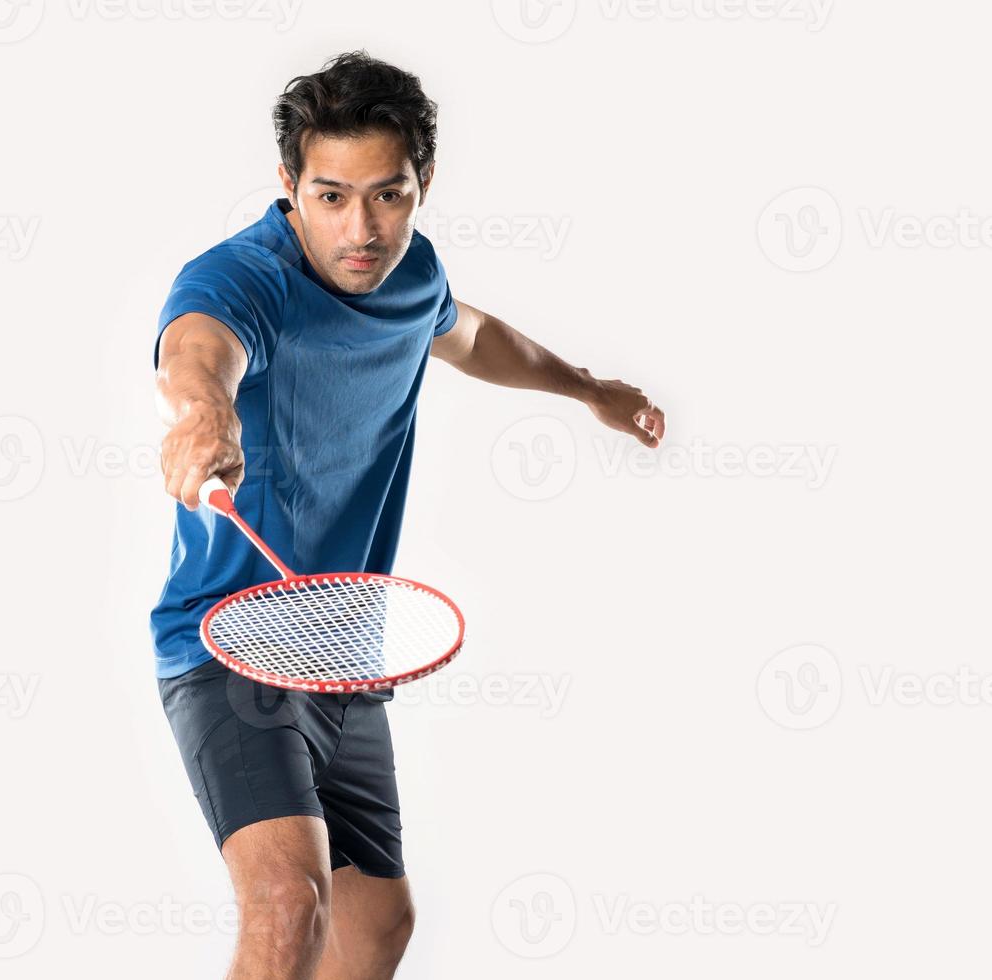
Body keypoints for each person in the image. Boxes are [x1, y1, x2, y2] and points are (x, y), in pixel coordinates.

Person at [152, 50, 664, 980]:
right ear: (288, 186)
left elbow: (468, 333)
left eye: (387, 196)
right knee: (287, 903)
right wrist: (204, 413)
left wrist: (586, 388)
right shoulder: (243, 280)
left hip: (340, 647)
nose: (361, 229)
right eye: (332, 195)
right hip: (227, 646)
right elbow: (198, 350)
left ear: (423, 183)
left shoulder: (410, 275)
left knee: (379, 926)